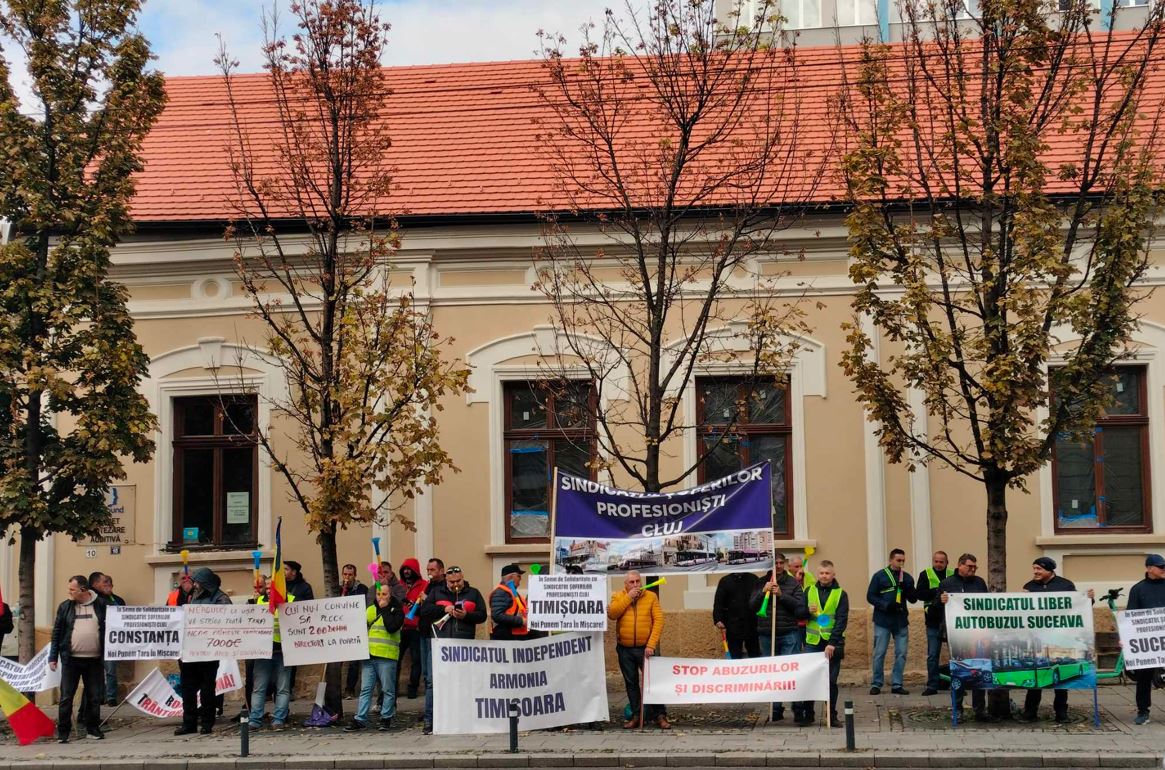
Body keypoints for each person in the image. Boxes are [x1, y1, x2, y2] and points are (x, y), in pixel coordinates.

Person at [1018, 556, 1094, 723]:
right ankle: (1030, 713)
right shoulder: (1029, 587)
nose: (1035, 572)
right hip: (1037, 640)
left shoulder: (1065, 585)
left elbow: (1077, 606)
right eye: (1034, 568)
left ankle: (1061, 713)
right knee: (1037, 677)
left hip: (1060, 639)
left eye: (1039, 569)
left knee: (1060, 680)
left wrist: (1088, 599)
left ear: (1049, 570)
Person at [417, 563, 486, 734]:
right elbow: (424, 610)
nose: (456, 584)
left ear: (463, 577)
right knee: (433, 682)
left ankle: (462, 718)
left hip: (463, 645)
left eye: (459, 581)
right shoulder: (436, 592)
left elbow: (482, 615)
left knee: (462, 683)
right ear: (446, 580)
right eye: (452, 581)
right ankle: (430, 720)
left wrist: (466, 616)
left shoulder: (473, 593)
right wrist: (443, 609)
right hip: (440, 644)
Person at [49, 575, 107, 743]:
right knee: (66, 697)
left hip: (94, 659)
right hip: (71, 660)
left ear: (83, 590)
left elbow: (112, 626)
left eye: (72, 589)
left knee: (94, 696)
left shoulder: (101, 604)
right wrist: (53, 656)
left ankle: (93, 729)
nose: (69, 592)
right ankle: (63, 732)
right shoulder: (65, 606)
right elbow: (57, 633)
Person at [608, 571, 669, 730]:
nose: (636, 585)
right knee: (631, 684)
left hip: (645, 648)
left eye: (637, 582)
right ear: (625, 585)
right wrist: (628, 597)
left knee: (652, 682)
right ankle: (636, 715)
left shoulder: (651, 597)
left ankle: (660, 715)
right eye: (632, 582)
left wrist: (651, 645)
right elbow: (613, 614)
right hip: (625, 649)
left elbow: (659, 621)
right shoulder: (617, 596)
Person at [750, 554, 807, 723]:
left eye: (782, 563)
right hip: (767, 633)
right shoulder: (760, 583)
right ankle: (775, 709)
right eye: (776, 563)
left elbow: (800, 607)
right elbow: (751, 606)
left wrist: (782, 595)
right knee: (771, 674)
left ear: (786, 565)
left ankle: (797, 708)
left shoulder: (792, 583)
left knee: (791, 673)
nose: (779, 566)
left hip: (789, 632)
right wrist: (763, 592)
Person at [175, 567, 232, 735]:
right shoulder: (192, 597)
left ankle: (207, 722)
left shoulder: (221, 598)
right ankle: (189, 723)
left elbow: (226, 620)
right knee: (188, 689)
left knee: (207, 689)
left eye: (197, 581)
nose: (195, 584)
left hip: (209, 652)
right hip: (189, 652)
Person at [938, 553, 995, 722]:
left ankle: (979, 709)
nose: (972, 570)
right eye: (970, 566)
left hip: (978, 636)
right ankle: (958, 709)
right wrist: (941, 600)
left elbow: (986, 606)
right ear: (960, 565)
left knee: (980, 671)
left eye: (974, 567)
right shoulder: (947, 583)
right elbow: (935, 608)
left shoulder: (979, 583)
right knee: (959, 671)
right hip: (957, 636)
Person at [346, 583, 404, 731]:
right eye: (378, 594)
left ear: (390, 595)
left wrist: (384, 609)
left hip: (387, 656)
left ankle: (386, 718)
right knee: (366, 689)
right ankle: (360, 719)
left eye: (384, 594)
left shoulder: (396, 611)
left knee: (387, 689)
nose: (381, 597)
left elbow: (392, 627)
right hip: (369, 656)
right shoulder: (370, 610)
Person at [802, 560, 848, 727]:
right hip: (812, 642)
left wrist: (832, 643)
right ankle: (809, 714)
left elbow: (842, 620)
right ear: (818, 574)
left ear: (833, 575)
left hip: (832, 643)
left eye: (827, 573)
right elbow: (799, 613)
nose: (824, 576)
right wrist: (807, 611)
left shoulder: (840, 594)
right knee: (810, 679)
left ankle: (831, 715)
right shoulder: (809, 591)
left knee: (831, 681)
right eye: (821, 573)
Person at [866, 548, 915, 695]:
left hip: (900, 620)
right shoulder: (879, 576)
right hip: (883, 620)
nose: (901, 563)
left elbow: (913, 598)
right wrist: (886, 605)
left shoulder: (906, 577)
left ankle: (897, 683)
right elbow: (870, 596)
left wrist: (909, 590)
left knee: (901, 653)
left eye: (903, 561)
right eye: (898, 560)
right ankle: (876, 683)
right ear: (891, 560)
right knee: (879, 653)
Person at [1126, 554, 1165, 725]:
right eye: (1160, 566)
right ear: (1149, 568)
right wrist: (1127, 638)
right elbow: (1131, 616)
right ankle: (1143, 711)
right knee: (1144, 677)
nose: (1163, 569)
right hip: (1146, 643)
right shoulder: (1138, 589)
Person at [249, 587, 295, 731]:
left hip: (283, 651)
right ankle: (255, 720)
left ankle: (279, 720)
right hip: (263, 651)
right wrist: (252, 602)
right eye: (267, 587)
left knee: (283, 688)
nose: (269, 590)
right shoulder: (258, 601)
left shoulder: (292, 600)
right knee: (259, 688)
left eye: (273, 586)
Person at [915, 551, 953, 696]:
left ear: (946, 562)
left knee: (955, 654)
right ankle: (932, 685)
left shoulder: (952, 574)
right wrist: (937, 592)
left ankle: (956, 683)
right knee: (932, 654)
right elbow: (920, 594)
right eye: (936, 561)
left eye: (941, 562)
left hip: (950, 619)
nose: (938, 564)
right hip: (932, 620)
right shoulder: (925, 574)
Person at [415, 557, 446, 734]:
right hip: (424, 633)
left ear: (441, 570)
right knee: (427, 676)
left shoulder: (443, 588)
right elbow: (424, 611)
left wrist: (426, 601)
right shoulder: (428, 586)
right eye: (428, 570)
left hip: (436, 636)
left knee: (432, 680)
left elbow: (439, 609)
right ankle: (430, 710)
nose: (429, 573)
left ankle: (432, 715)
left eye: (433, 570)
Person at [89, 572, 126, 706]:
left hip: (111, 642)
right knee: (95, 672)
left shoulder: (117, 600)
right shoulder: (91, 599)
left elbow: (123, 616)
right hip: (95, 640)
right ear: (96, 584)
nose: (108, 586)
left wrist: (110, 597)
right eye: (105, 583)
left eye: (110, 584)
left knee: (110, 671)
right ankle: (98, 697)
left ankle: (110, 697)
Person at [712, 570, 760, 659]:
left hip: (751, 623)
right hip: (733, 624)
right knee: (735, 654)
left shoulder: (753, 579)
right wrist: (718, 619)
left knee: (754, 654)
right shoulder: (725, 581)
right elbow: (719, 602)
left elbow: (760, 598)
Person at [397, 558, 428, 699]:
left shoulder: (424, 585)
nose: (407, 572)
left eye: (409, 569)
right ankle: (393, 688)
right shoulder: (399, 585)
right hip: (401, 628)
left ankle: (413, 689)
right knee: (396, 660)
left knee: (417, 660)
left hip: (415, 628)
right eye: (405, 569)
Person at [490, 563, 542, 641]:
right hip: (506, 638)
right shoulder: (501, 593)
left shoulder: (511, 592)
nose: (520, 579)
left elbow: (516, 611)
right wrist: (521, 621)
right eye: (519, 576)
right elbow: (497, 615)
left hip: (515, 637)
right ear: (511, 577)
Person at [340, 563, 369, 698]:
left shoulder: (362, 588)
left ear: (355, 575)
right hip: (340, 628)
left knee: (354, 662)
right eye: (345, 574)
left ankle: (349, 689)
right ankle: (334, 689)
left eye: (350, 574)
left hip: (356, 628)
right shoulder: (338, 588)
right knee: (337, 661)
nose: (347, 577)